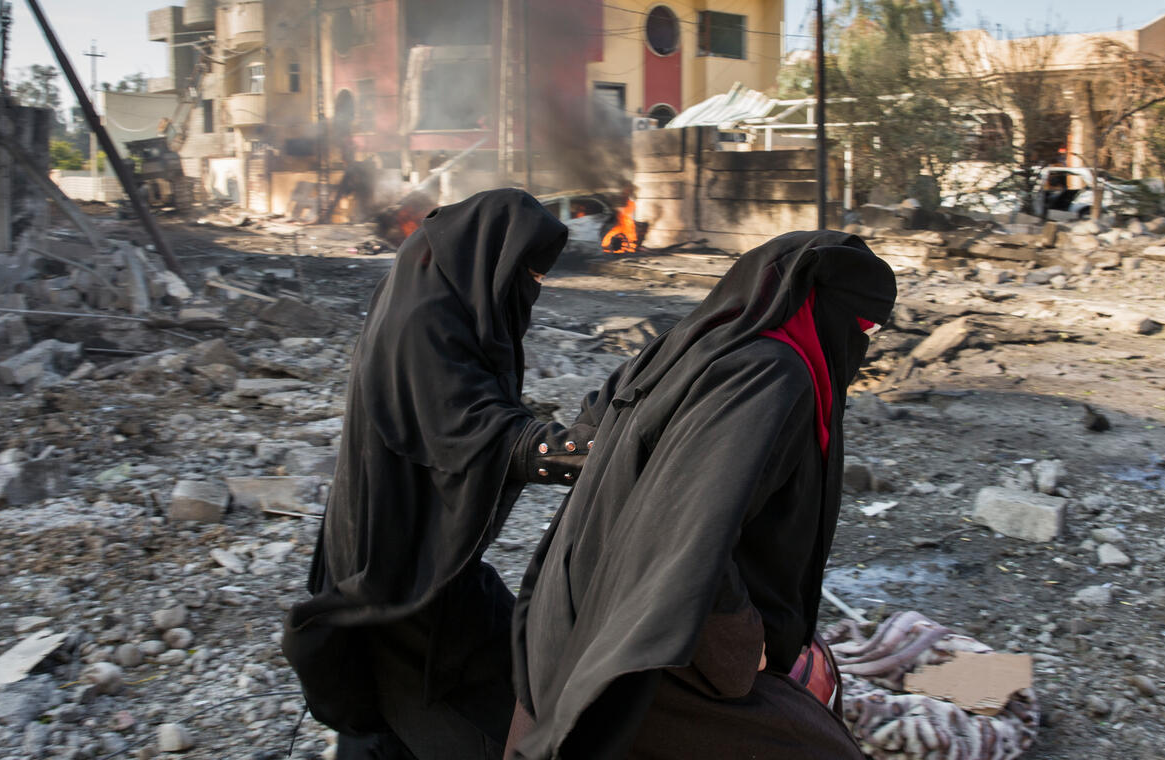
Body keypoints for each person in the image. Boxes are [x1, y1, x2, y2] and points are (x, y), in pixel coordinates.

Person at [508, 230, 897, 760]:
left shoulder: (696, 345)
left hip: (583, 605)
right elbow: (691, 525)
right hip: (651, 641)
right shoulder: (770, 376)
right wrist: (742, 643)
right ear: (817, 309)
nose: (858, 343)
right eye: (858, 327)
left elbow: (600, 427)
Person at [283, 188, 595, 760]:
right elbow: (474, 429)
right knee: (404, 708)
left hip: (429, 550)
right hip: (394, 560)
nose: (533, 288)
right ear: (488, 257)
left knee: (504, 667)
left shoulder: (446, 299)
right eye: (526, 272)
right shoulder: (422, 323)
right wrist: (579, 451)